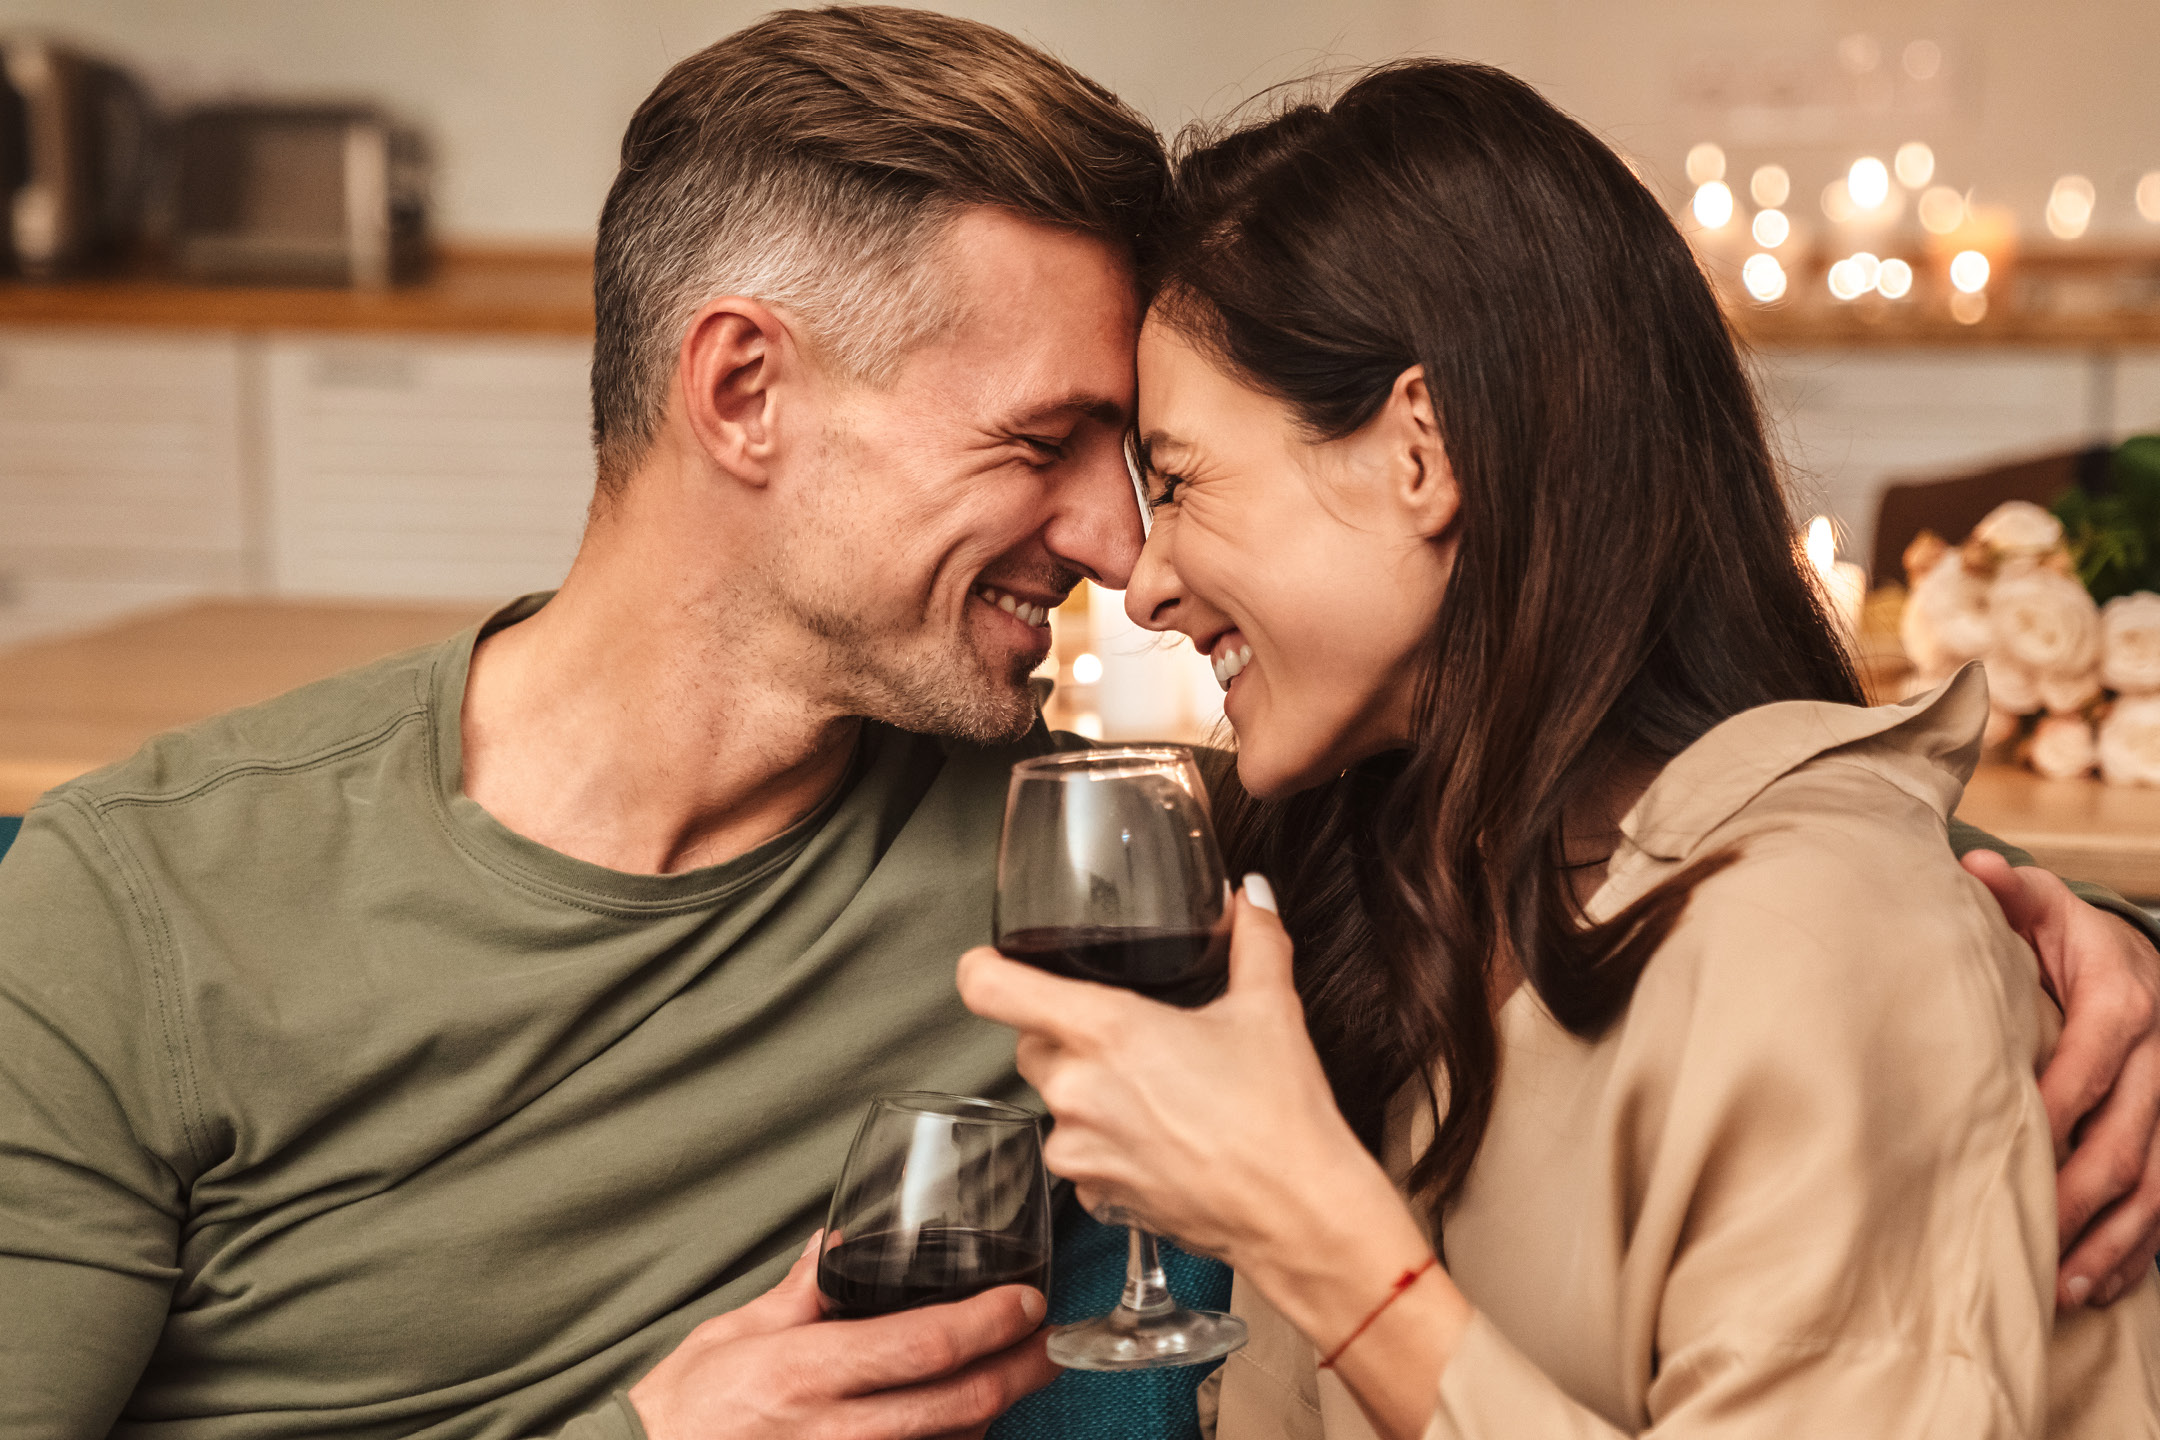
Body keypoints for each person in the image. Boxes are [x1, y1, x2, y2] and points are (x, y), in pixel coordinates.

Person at [0, 13, 2152, 1440]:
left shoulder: (1100, 857)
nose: (1125, 550)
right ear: (743, 391)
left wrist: (2086, 951)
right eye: (1048, 441)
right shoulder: (141, 911)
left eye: (1155, 464)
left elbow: (1697, 859)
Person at [957, 61, 2160, 1439]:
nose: (1143, 581)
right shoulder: (1399, 880)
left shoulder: (1824, 940)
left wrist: (1318, 1235)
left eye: (1176, 482)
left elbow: (1863, 905)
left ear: (1421, 450)